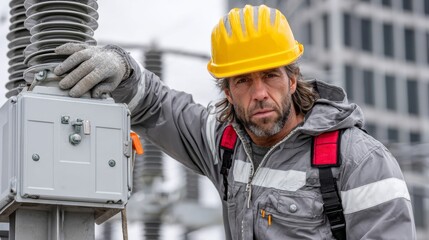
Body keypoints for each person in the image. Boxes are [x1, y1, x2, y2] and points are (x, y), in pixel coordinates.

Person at [53, 4, 416, 240]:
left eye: (270, 76)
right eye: (243, 80)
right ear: (227, 91)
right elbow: (158, 106)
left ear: (292, 79)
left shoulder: (360, 161)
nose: (259, 93)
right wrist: (123, 68)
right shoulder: (224, 144)